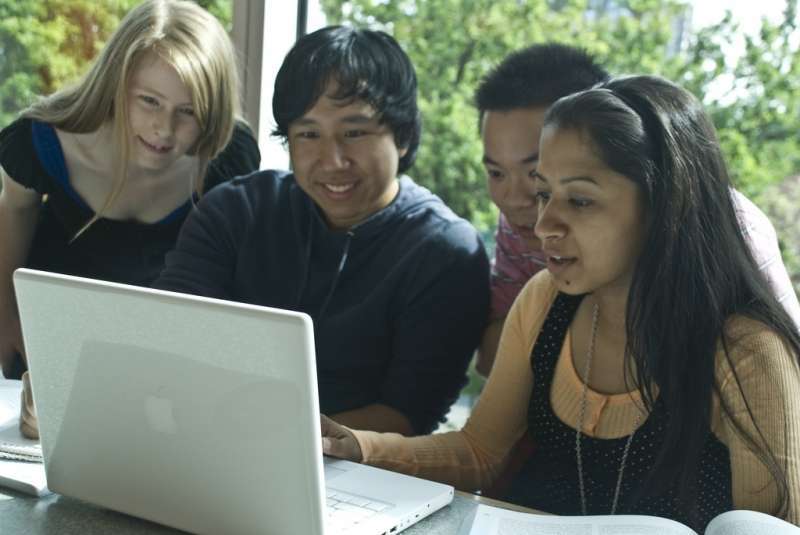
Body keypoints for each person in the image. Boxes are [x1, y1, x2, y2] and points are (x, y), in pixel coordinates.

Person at [321, 75, 800, 531]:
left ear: (664, 205)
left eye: (581, 201)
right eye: (545, 193)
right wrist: (360, 447)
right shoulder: (545, 299)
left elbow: (769, 527)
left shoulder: (747, 352)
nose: (546, 223)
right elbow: (479, 454)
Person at [154, 26, 490, 436]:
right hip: (207, 441)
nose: (332, 160)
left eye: (354, 133)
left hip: (361, 471)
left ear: (401, 136)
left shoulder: (444, 251)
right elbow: (168, 344)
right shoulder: (234, 211)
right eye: (309, 134)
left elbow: (409, 414)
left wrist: (275, 438)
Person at [0, 0, 260, 430]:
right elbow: (14, 211)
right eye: (149, 101)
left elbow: (232, 272)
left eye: (188, 111)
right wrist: (5, 316)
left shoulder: (229, 156)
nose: (164, 128)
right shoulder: (40, 140)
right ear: (116, 85)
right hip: (53, 337)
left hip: (166, 351)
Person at [474, 44, 800, 377]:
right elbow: (491, 361)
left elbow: (784, 371)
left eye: (534, 172)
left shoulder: (731, 229)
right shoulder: (524, 225)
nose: (515, 199)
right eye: (496, 173)